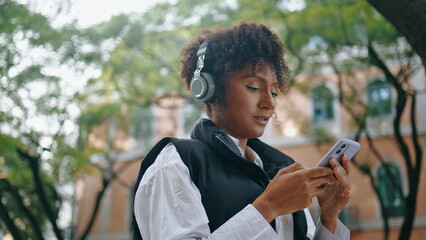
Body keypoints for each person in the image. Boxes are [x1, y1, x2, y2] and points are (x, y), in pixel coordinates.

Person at [133, 21, 351, 240]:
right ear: (209, 89)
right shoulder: (177, 163)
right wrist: (268, 207)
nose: (269, 103)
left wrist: (329, 219)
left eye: (274, 92)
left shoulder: (282, 171)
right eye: (254, 87)